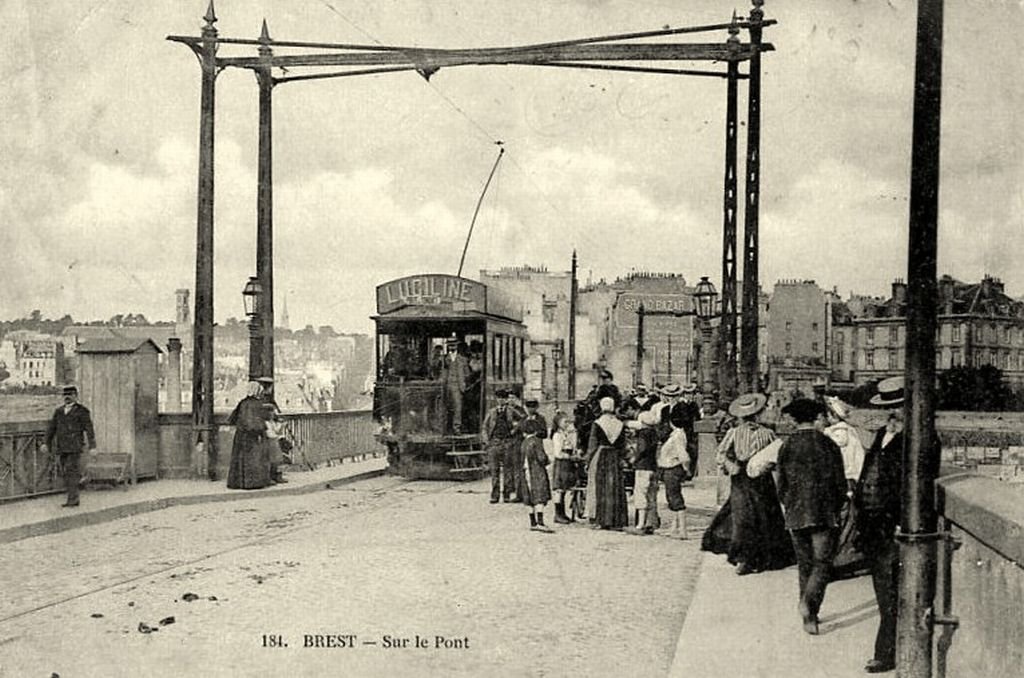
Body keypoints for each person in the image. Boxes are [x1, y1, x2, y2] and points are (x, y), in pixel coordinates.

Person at [775, 398, 848, 636]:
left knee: (805, 565)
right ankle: (809, 605)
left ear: (795, 420)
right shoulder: (828, 444)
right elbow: (839, 482)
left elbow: (781, 484)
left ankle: (810, 617)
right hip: (823, 512)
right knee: (823, 563)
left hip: (796, 513)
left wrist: (789, 504)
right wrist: (837, 506)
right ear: (816, 418)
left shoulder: (787, 445)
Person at [704, 393, 794, 575]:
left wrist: (766, 466)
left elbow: (776, 454)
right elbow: (721, 454)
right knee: (746, 516)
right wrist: (731, 466)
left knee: (760, 516)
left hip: (760, 479)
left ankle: (758, 557)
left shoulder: (767, 433)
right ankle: (745, 558)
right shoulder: (735, 433)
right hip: (742, 478)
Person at [855, 377, 906, 674]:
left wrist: (903, 523)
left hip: (893, 527)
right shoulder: (882, 437)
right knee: (884, 591)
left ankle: (886, 654)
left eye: (897, 409)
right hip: (875, 526)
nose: (892, 416)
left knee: (890, 594)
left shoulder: (914, 439)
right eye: (890, 410)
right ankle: (887, 650)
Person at [823, 395, 869, 578]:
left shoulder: (837, 434)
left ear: (832, 415)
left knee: (843, 521)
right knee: (849, 521)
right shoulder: (850, 431)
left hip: (845, 480)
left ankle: (839, 562)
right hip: (852, 480)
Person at [42, 385, 96, 507]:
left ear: (75, 396)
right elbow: (51, 429)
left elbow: (89, 429)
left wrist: (93, 446)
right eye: (65, 395)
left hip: (75, 447)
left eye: (70, 394)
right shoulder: (59, 411)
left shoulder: (82, 411)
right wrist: (46, 443)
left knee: (71, 471)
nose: (67, 397)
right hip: (62, 447)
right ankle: (74, 495)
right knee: (65, 472)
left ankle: (73, 499)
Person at [585, 397, 629, 530]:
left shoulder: (597, 423)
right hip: (614, 456)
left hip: (601, 455)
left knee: (601, 486)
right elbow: (623, 445)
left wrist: (588, 460)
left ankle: (601, 519)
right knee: (614, 486)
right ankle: (616, 520)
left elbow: (592, 444)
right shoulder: (619, 423)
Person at [227, 381, 273, 490]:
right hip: (253, 436)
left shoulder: (242, 402)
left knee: (240, 458)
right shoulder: (257, 404)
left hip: (241, 435)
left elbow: (233, 418)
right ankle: (252, 483)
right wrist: (262, 430)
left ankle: (238, 483)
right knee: (253, 459)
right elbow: (257, 422)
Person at [519, 402, 553, 532]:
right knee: (539, 495)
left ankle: (532, 522)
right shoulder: (536, 441)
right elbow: (541, 457)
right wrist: (547, 461)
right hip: (536, 471)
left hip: (525, 471)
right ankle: (540, 522)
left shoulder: (524, 442)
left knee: (529, 496)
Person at [550, 411, 578, 523]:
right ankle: (558, 514)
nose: (567, 424)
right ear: (558, 423)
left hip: (567, 464)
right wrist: (569, 457)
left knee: (565, 489)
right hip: (561, 463)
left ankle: (563, 513)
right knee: (559, 489)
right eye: (564, 422)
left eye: (568, 421)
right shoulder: (557, 436)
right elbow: (558, 453)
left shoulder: (566, 434)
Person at [258, 377, 288, 484]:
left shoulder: (262, 397)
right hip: (267, 429)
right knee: (273, 455)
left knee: (276, 453)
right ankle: (274, 475)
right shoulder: (264, 399)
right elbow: (268, 412)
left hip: (271, 428)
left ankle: (275, 474)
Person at [671, 383, 702, 477]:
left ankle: (690, 472)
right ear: (684, 395)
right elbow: (674, 419)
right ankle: (683, 472)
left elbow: (698, 417)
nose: (689, 396)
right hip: (682, 431)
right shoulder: (678, 406)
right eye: (687, 394)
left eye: (691, 394)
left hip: (692, 432)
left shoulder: (694, 405)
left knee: (692, 451)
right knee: (681, 451)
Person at [445, 341, 471, 434]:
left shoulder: (463, 360)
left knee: (457, 407)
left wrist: (464, 383)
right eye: (450, 345)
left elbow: (467, 374)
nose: (452, 347)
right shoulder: (444, 358)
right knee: (445, 406)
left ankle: (456, 428)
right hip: (445, 386)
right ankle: (445, 427)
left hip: (457, 386)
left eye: (454, 345)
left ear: (456, 346)